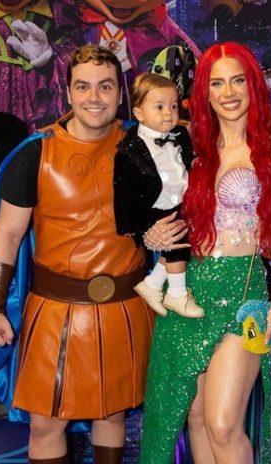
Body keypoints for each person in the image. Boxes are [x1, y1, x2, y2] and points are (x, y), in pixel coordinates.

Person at [0, 45, 159, 464]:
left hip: (126, 307)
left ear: (120, 94)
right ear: (67, 93)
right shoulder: (35, 153)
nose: (94, 97)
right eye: (83, 86)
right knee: (46, 423)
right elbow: (7, 235)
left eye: (105, 86)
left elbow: (211, 142)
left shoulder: (147, 145)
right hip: (54, 311)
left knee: (112, 414)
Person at [139, 42, 271, 463]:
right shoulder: (188, 145)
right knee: (194, 419)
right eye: (216, 83)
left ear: (253, 86)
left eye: (237, 80)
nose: (228, 92)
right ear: (204, 93)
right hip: (188, 293)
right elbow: (135, 150)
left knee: (223, 424)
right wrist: (152, 235)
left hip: (244, 295)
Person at [113, 73, 204, 319]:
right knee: (177, 247)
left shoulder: (181, 136)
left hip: (180, 201)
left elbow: (187, 160)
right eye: (160, 107)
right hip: (154, 207)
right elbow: (123, 193)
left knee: (180, 244)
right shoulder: (129, 150)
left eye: (173, 106)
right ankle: (176, 293)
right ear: (139, 113)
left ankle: (152, 284)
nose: (168, 113)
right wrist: (135, 227)